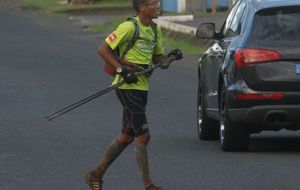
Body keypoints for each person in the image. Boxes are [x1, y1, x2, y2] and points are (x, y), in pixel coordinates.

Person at [84, 0, 182, 190]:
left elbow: (157, 57)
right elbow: (102, 49)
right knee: (143, 136)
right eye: (154, 3)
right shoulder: (129, 27)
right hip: (126, 87)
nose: (158, 6)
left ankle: (95, 175)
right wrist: (121, 70)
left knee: (126, 137)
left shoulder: (155, 30)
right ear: (143, 8)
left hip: (142, 87)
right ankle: (148, 185)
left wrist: (168, 58)